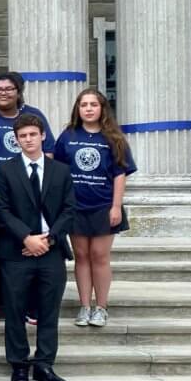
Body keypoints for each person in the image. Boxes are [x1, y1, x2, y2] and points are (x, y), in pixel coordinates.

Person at [0, 72, 56, 325]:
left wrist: (23, 187)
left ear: (18, 92)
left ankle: (28, 306)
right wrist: (6, 185)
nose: (2, 92)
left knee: (23, 250)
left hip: (29, 200)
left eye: (8, 88)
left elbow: (48, 152)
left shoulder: (34, 117)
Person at [0, 113, 75, 381]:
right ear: (16, 140)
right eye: (22, 136)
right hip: (16, 251)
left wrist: (48, 240)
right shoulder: (6, 171)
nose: (28, 140)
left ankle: (44, 364)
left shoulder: (61, 171)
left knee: (49, 309)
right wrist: (27, 238)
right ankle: (18, 364)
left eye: (32, 134)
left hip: (51, 250)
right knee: (15, 310)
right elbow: (1, 210)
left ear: (42, 136)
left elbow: (69, 209)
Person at [55, 89, 136, 328]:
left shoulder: (115, 138)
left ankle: (101, 307)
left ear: (102, 108)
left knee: (99, 256)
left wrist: (116, 206)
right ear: (77, 110)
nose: (88, 109)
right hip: (74, 206)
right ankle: (84, 306)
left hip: (103, 206)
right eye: (84, 105)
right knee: (81, 256)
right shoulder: (68, 136)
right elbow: (58, 171)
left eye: (93, 104)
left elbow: (120, 174)